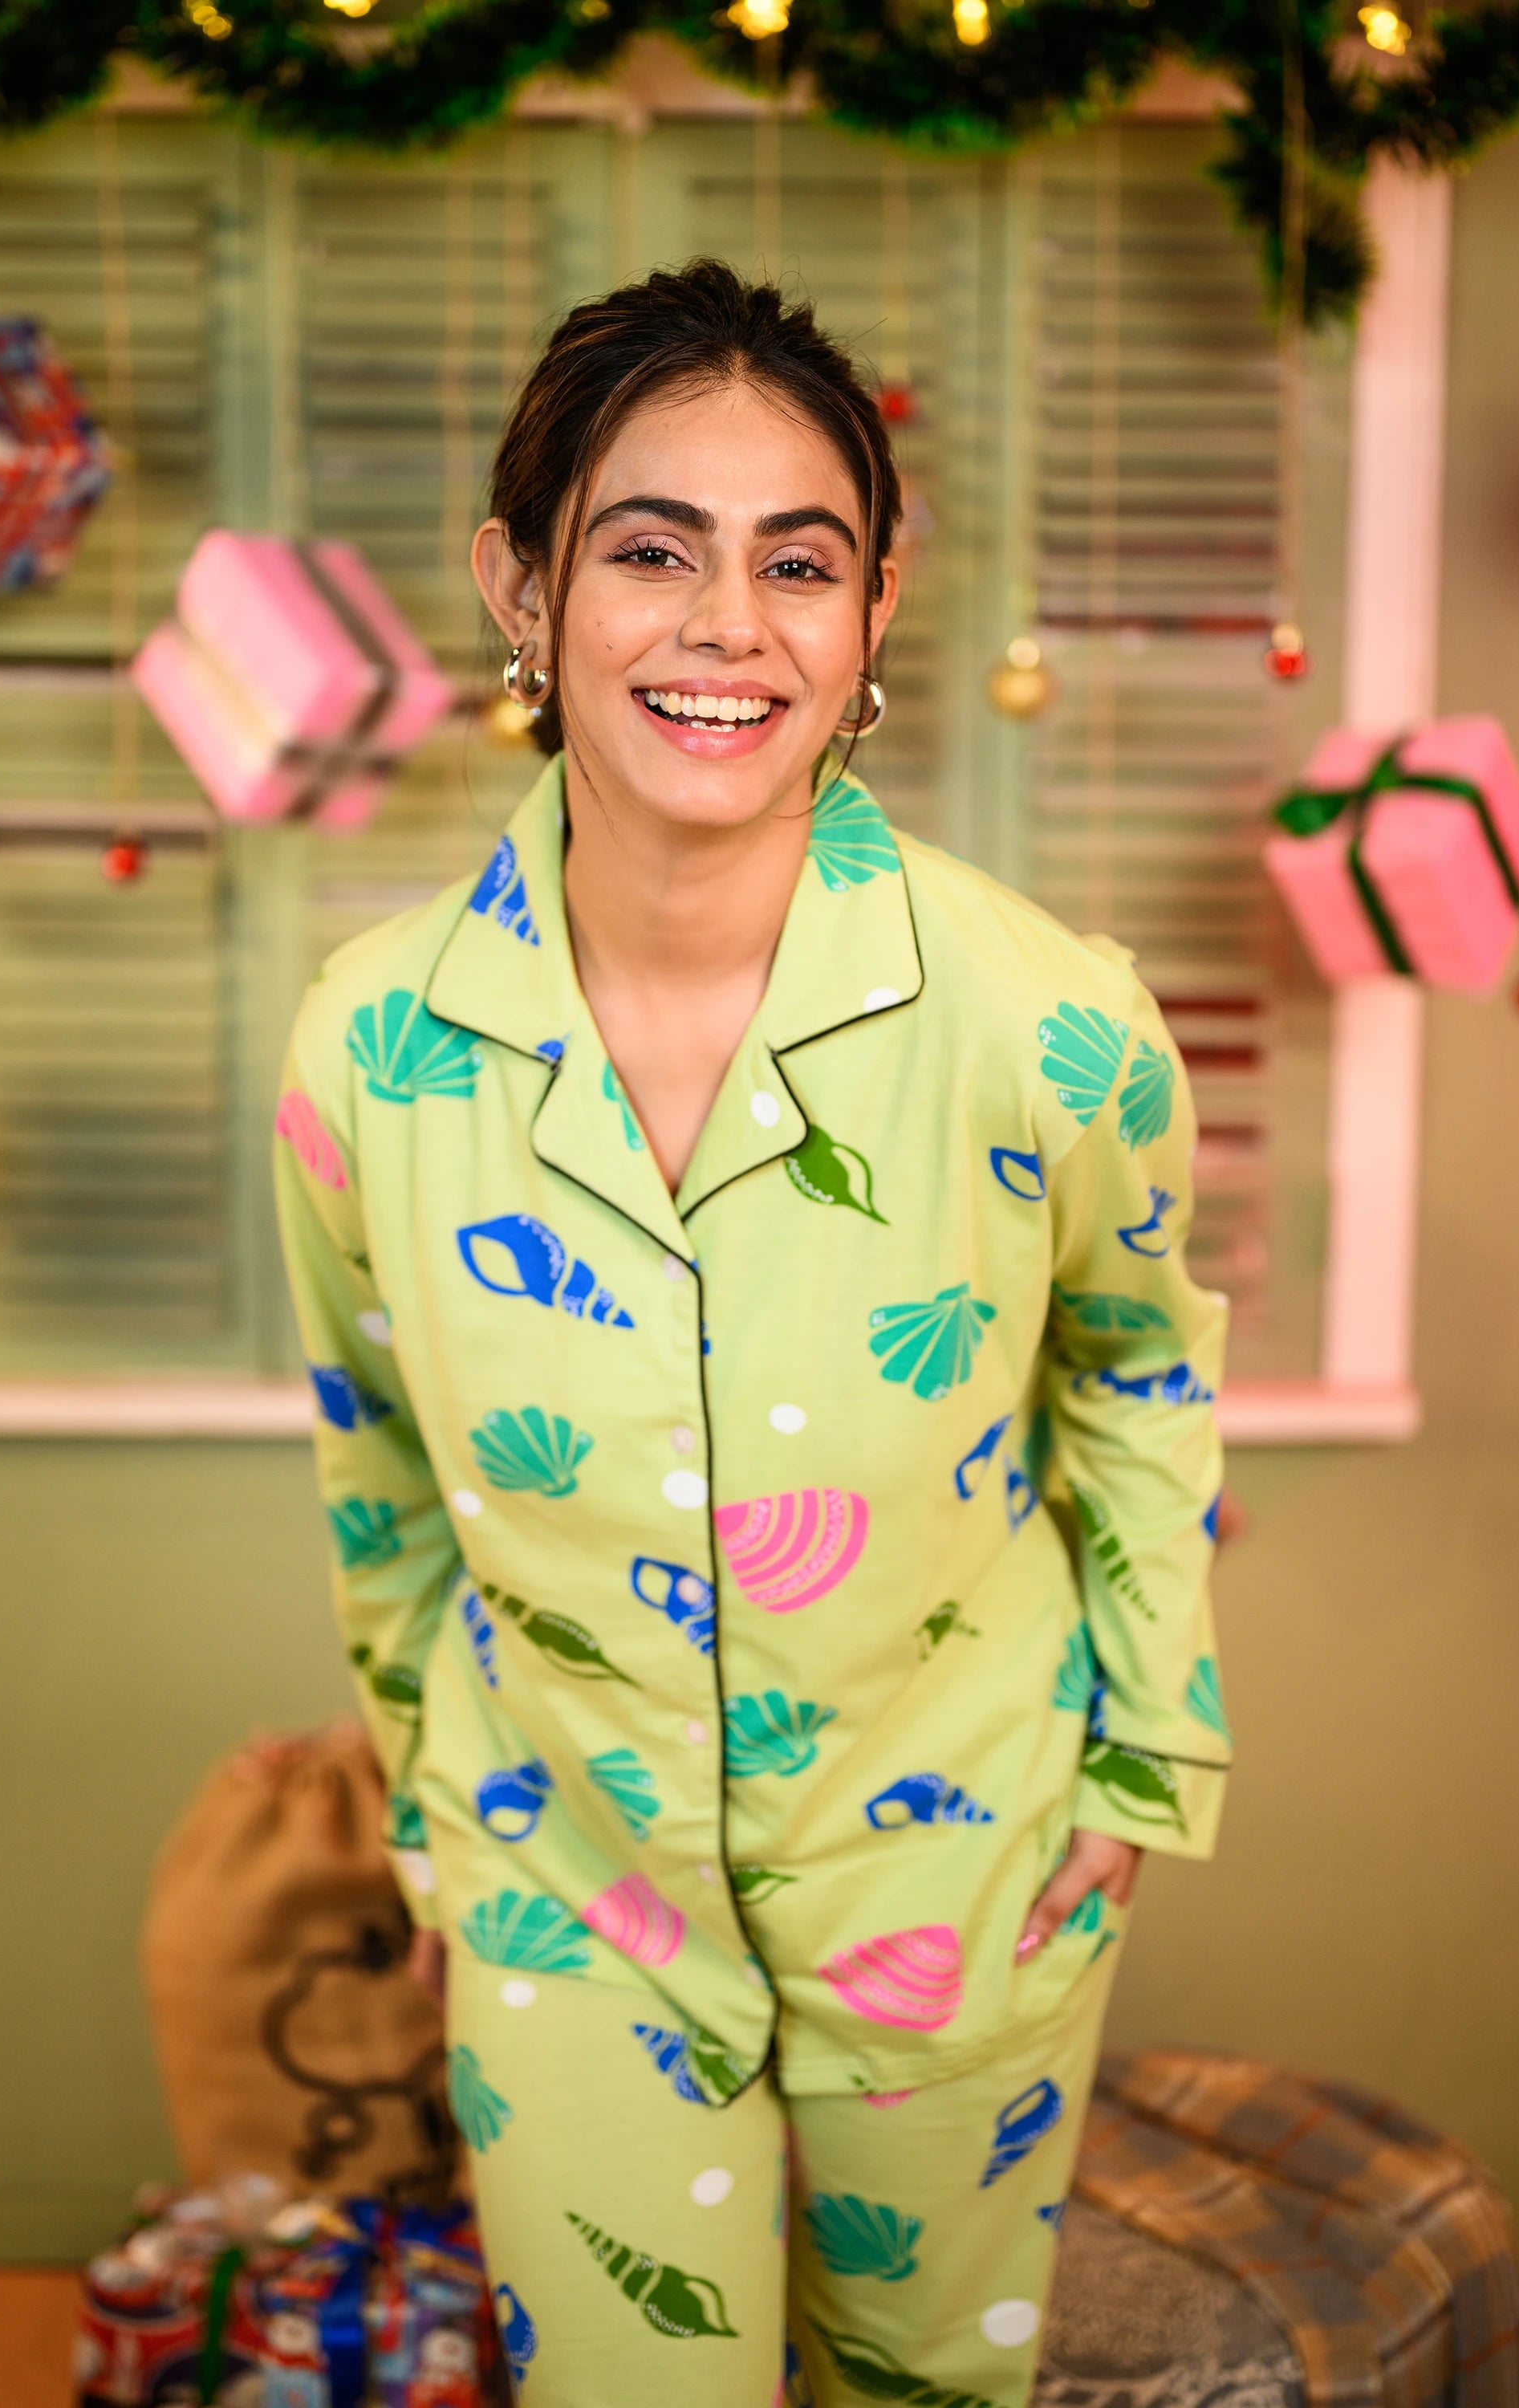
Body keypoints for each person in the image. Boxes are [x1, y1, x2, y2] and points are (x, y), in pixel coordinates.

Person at [275, 258, 1231, 2408]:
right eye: (649, 550)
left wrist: (1142, 1764)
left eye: (798, 561)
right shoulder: (370, 1051)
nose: (730, 626)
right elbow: (378, 1463)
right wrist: (439, 1822)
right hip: (562, 1884)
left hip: (960, 1851)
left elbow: (1142, 1367)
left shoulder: (1052, 1019)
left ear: (876, 608)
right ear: (521, 592)